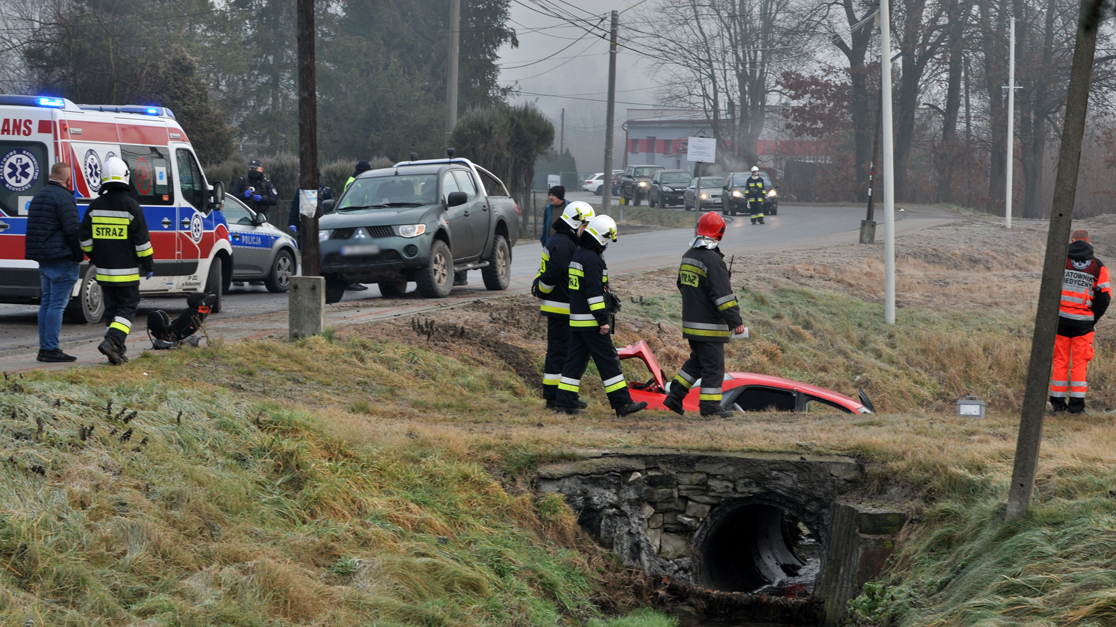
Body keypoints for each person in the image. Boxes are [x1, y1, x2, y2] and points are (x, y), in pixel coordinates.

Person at [554, 215, 647, 417]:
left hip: (577, 319)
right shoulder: (593, 260)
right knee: (608, 360)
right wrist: (602, 320)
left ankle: (564, 403)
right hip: (591, 322)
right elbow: (594, 293)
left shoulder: (578, 256)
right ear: (603, 238)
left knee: (575, 361)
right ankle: (622, 404)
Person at [663, 212, 746, 418]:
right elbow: (723, 296)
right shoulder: (713, 260)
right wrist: (736, 321)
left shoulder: (688, 255)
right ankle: (710, 409)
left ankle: (675, 395)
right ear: (720, 232)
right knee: (714, 367)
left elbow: (681, 285)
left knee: (698, 362)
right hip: (709, 326)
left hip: (691, 323)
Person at [79, 157, 154, 365]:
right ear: (125, 177)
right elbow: (142, 243)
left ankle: (116, 352)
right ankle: (111, 342)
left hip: (103, 271)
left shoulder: (94, 206)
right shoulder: (131, 206)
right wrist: (148, 265)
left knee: (111, 309)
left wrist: (94, 255)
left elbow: (84, 239)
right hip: (127, 271)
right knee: (128, 306)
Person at [532, 200, 595, 410]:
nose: (587, 231)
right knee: (560, 354)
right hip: (560, 309)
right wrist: (540, 288)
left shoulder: (562, 241)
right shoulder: (563, 243)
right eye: (586, 226)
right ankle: (554, 398)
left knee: (566, 354)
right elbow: (553, 274)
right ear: (576, 223)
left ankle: (565, 395)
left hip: (562, 308)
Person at [25, 162, 83, 362]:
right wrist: (78, 255)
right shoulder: (64, 198)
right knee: (57, 305)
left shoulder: (39, 195)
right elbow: (72, 230)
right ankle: (50, 349)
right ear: (68, 180)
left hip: (44, 258)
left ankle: (45, 348)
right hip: (61, 257)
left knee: (47, 303)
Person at [1050, 229, 1111, 414]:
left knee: (1060, 361)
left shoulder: (1061, 261)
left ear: (1073, 241)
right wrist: (1092, 318)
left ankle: (1057, 406)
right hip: (1083, 324)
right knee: (1079, 363)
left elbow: (1050, 289)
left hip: (1060, 321)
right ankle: (1076, 408)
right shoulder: (1098, 266)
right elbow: (1105, 297)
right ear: (1089, 242)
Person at [287, 172, 334, 245]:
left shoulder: (325, 191)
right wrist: (292, 222)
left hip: (322, 223)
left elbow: (331, 207)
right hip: (305, 223)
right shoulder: (301, 191)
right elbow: (295, 207)